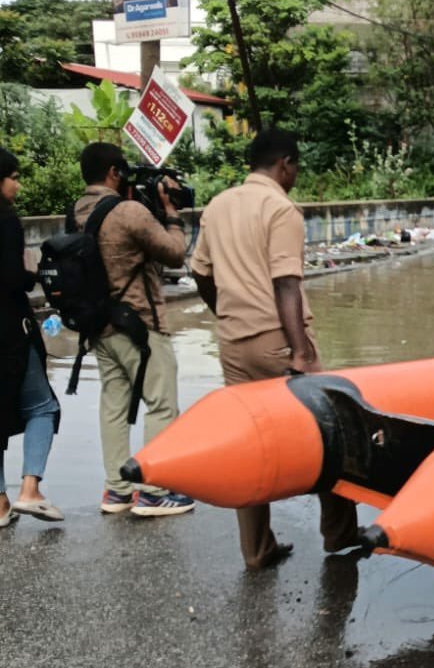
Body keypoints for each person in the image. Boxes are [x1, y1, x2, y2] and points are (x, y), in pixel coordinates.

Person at [190, 126, 359, 571]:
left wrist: (225, 312)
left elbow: (200, 273)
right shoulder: (281, 209)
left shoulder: (218, 205)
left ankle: (256, 550)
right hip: (277, 341)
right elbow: (286, 283)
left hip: (232, 343)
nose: (296, 176)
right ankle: (340, 535)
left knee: (249, 443)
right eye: (296, 168)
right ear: (285, 164)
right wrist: (300, 353)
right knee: (331, 430)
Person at [72, 142, 194, 517]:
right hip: (139, 323)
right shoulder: (128, 211)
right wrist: (170, 214)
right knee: (161, 403)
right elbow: (174, 253)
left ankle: (118, 490)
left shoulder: (78, 211)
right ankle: (154, 490)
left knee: (114, 404)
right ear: (114, 172)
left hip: (100, 326)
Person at [0, 147, 62, 526]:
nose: (18, 185)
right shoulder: (6, 220)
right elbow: (11, 277)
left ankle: (0, 506)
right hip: (9, 330)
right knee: (43, 407)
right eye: (13, 177)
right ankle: (30, 490)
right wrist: (33, 276)